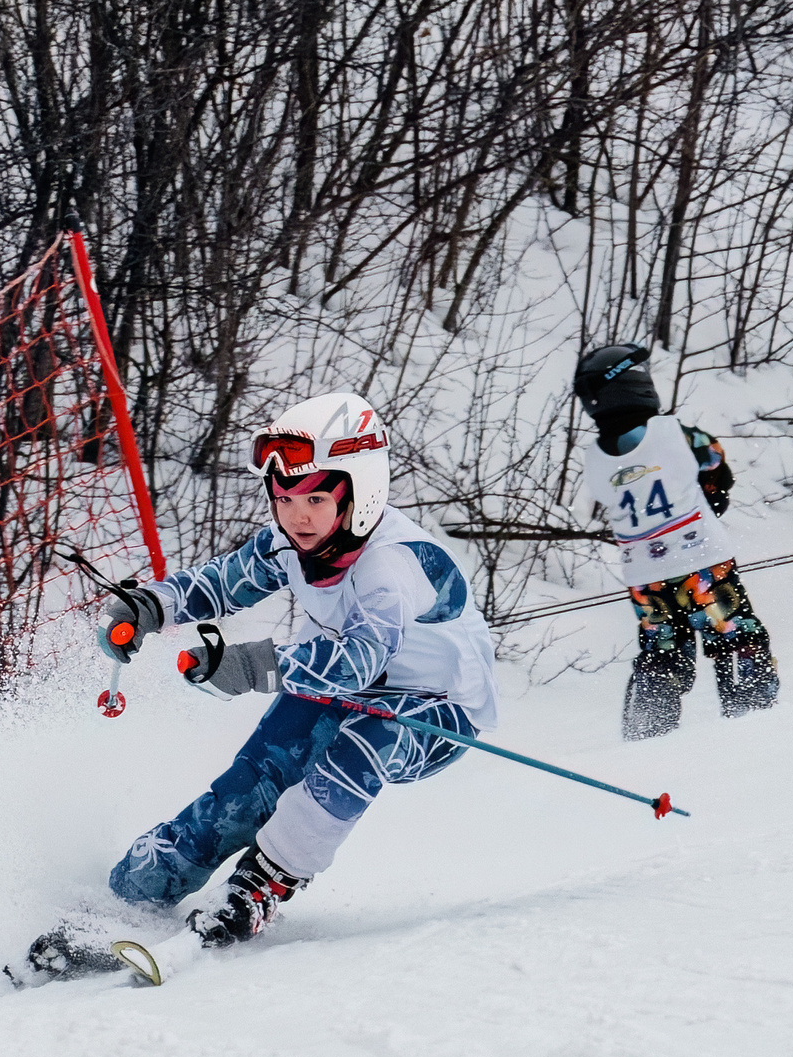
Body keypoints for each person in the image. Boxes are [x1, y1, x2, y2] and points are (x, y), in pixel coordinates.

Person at [85, 391, 498, 950]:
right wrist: (150, 606)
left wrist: (252, 664)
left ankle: (261, 885)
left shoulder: (393, 565)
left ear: (360, 495)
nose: (297, 515)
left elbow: (357, 660)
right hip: (340, 680)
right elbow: (221, 584)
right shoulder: (290, 540)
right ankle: (141, 885)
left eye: (316, 499)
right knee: (257, 776)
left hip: (437, 710)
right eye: (283, 498)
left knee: (360, 748)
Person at [574, 342, 780, 740]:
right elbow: (716, 467)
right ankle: (755, 720)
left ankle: (649, 732)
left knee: (662, 652)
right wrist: (709, 496)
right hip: (702, 564)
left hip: (645, 579)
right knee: (737, 636)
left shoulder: (595, 458)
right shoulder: (676, 435)